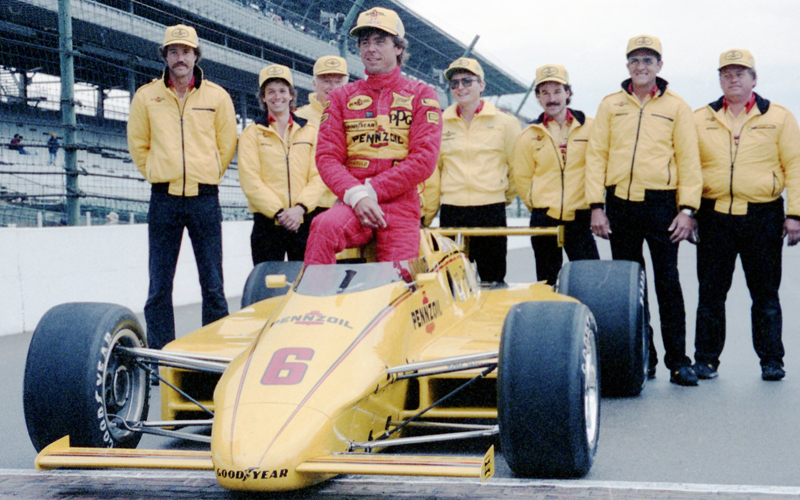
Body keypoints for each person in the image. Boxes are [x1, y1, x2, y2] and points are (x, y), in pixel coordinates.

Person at [585, 34, 703, 386]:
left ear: (660, 66)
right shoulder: (610, 105)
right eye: (635, 60)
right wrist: (596, 206)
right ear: (627, 66)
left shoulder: (676, 107)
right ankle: (643, 358)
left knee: (668, 282)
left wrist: (687, 209)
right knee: (629, 289)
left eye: (648, 60)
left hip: (662, 206)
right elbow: (597, 157)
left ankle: (679, 361)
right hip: (619, 205)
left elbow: (689, 160)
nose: (641, 66)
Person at [127, 24, 237, 350]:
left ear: (195, 55)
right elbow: (138, 144)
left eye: (186, 51)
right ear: (165, 56)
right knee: (159, 285)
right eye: (173, 51)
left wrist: (210, 172)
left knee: (213, 284)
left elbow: (226, 143)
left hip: (205, 198)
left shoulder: (217, 97)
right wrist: (158, 173)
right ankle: (162, 353)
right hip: (164, 199)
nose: (180, 58)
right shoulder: (147, 96)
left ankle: (215, 353)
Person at [692, 50, 800, 381]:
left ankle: (771, 360)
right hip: (714, 216)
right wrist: (690, 211)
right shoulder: (701, 118)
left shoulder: (778, 116)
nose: (733, 78)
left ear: (754, 78)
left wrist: (794, 213)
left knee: (765, 293)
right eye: (726, 73)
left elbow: (794, 165)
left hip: (762, 216)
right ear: (719, 79)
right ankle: (706, 360)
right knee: (710, 293)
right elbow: (690, 168)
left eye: (740, 72)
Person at [304, 7, 442, 264]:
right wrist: (357, 196)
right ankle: (316, 302)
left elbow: (424, 159)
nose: (370, 48)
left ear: (398, 48)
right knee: (323, 226)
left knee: (397, 283)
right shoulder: (340, 97)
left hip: (400, 205)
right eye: (365, 42)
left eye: (380, 41)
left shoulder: (422, 94)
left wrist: (371, 192)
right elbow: (327, 157)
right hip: (352, 201)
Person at [431, 57, 520, 282]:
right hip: (452, 210)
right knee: (452, 280)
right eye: (454, 83)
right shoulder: (440, 123)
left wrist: (500, 196)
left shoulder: (505, 123)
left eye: (467, 81)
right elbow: (436, 170)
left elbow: (516, 167)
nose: (460, 88)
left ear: (482, 85)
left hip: (490, 210)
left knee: (493, 277)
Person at [514, 64, 599, 286]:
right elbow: (522, 178)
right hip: (544, 218)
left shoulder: (590, 127)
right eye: (545, 93)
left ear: (568, 93)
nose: (551, 98)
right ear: (538, 97)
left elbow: (598, 167)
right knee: (547, 283)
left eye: (557, 91)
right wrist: (538, 204)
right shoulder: (529, 134)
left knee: (589, 280)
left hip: (579, 218)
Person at [238, 64, 327, 264]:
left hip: (303, 220)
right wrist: (279, 213)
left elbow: (319, 175)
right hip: (267, 223)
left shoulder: (310, 131)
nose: (277, 96)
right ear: (263, 97)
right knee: (269, 288)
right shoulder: (251, 133)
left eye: (282, 91)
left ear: (291, 95)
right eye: (270, 92)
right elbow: (250, 180)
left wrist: (300, 209)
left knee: (305, 286)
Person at [295, 55, 350, 214]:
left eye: (338, 81)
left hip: (345, 202)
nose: (332, 87)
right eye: (326, 80)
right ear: (314, 84)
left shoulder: (356, 118)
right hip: (308, 206)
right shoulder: (299, 118)